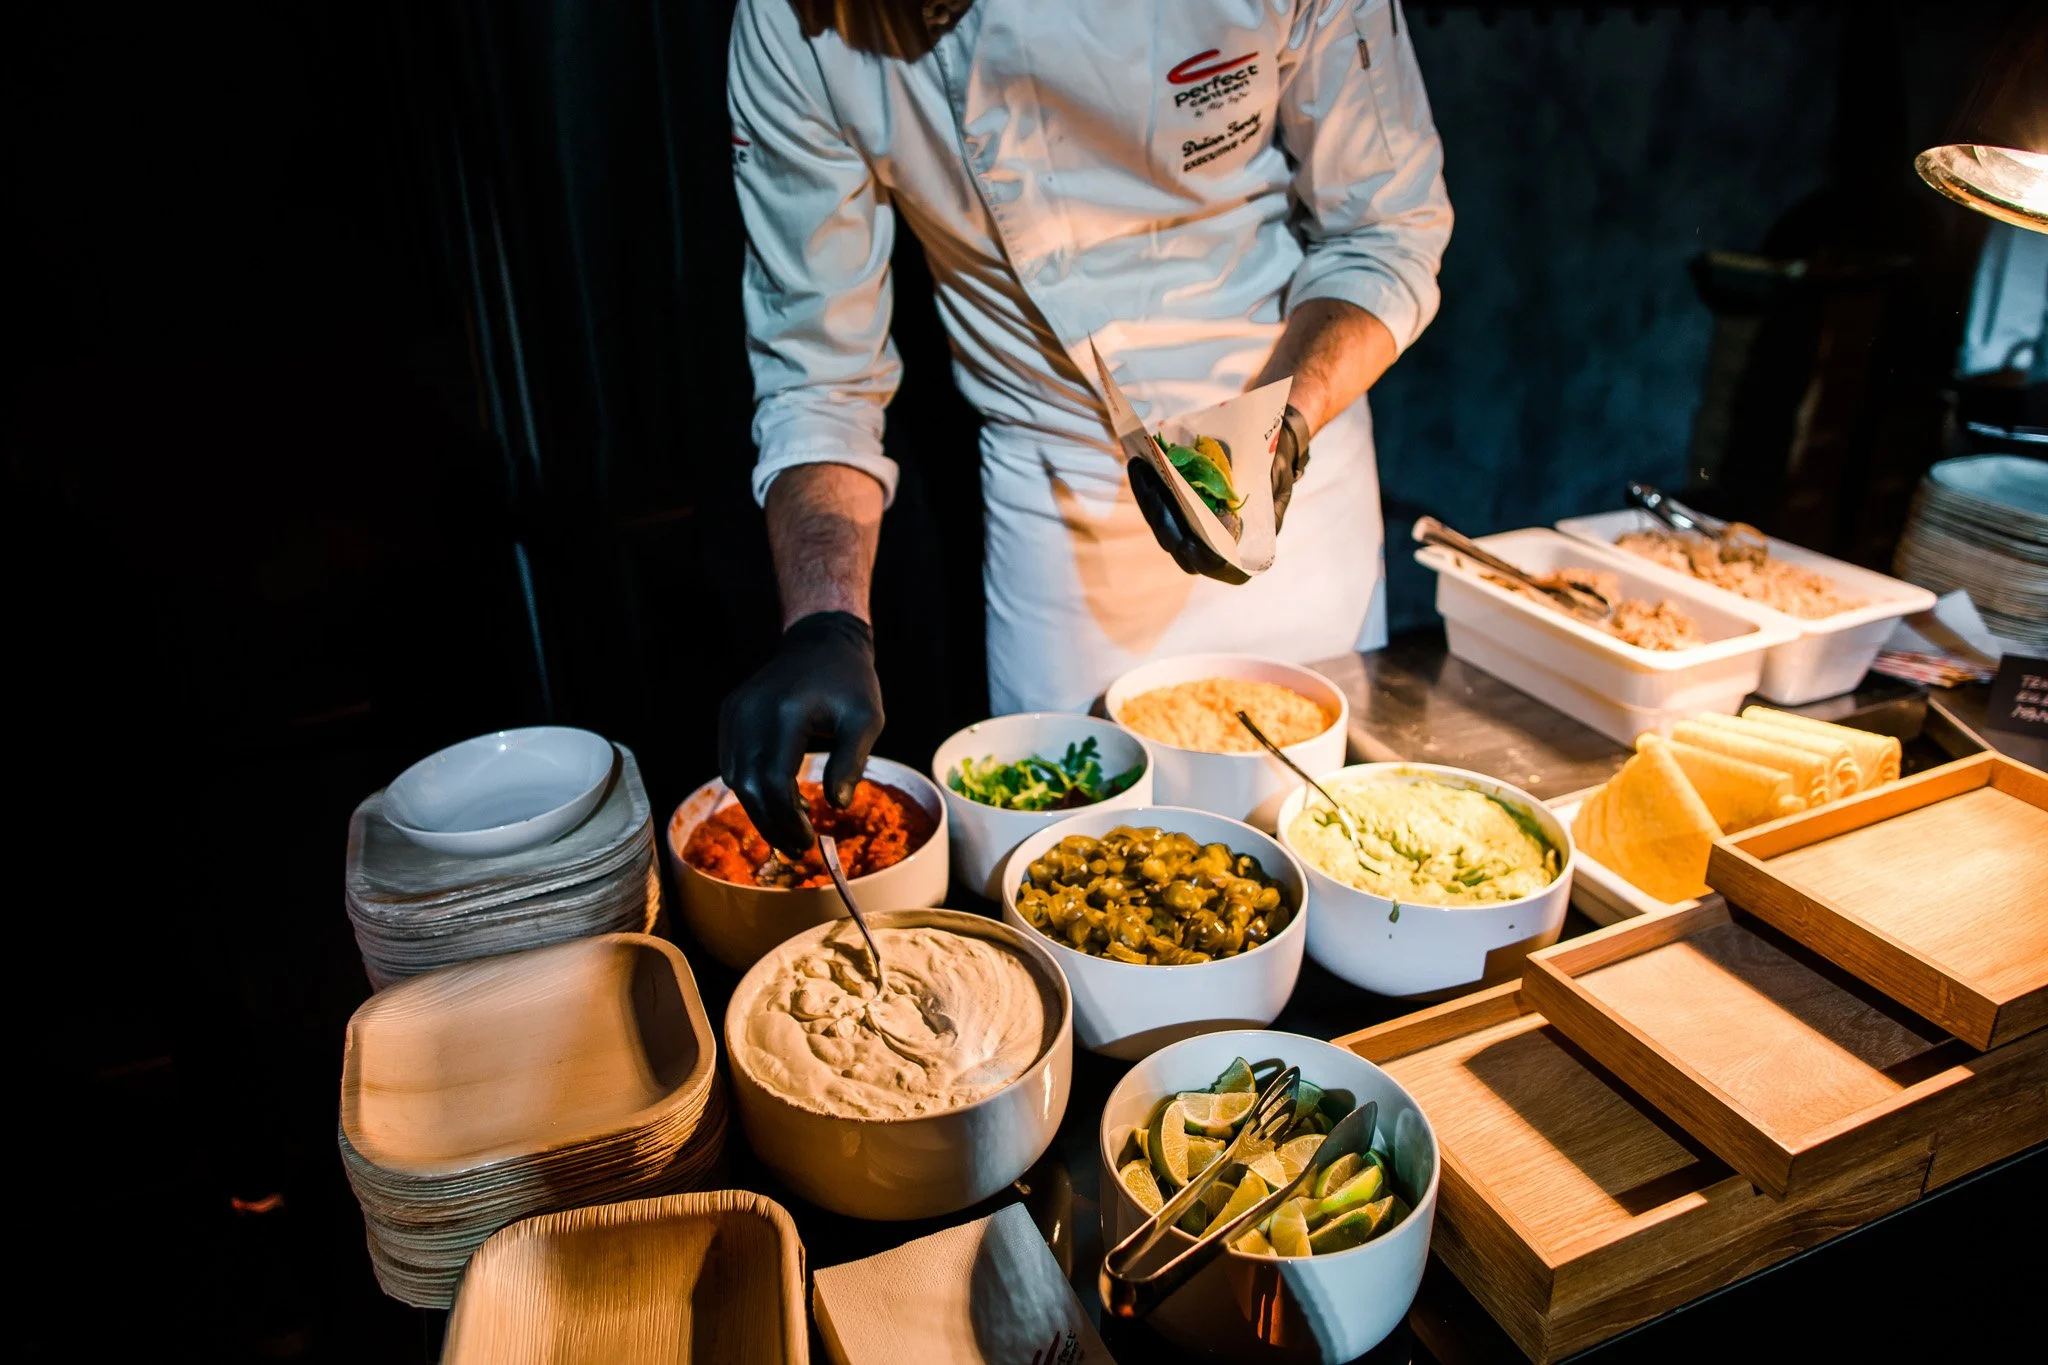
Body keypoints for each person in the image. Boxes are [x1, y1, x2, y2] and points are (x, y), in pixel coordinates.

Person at [719, 0, 1451, 855]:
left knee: (1337, 854)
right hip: (1055, 498)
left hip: (1292, 461)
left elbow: (1386, 227)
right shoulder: (790, 20)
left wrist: (1276, 431)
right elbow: (821, 370)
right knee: (1073, 876)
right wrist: (826, 617)